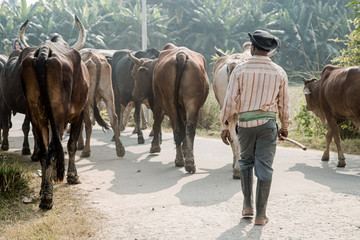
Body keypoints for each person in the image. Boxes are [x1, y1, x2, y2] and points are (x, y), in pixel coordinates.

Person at [220, 30, 290, 226]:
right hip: (268, 125)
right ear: (268, 50)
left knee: (245, 162)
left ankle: (247, 206)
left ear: (252, 48)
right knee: (265, 166)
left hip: (245, 124)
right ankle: (261, 215)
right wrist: (284, 126)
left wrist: (225, 125)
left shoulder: (240, 71)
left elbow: (230, 101)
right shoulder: (279, 72)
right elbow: (284, 103)